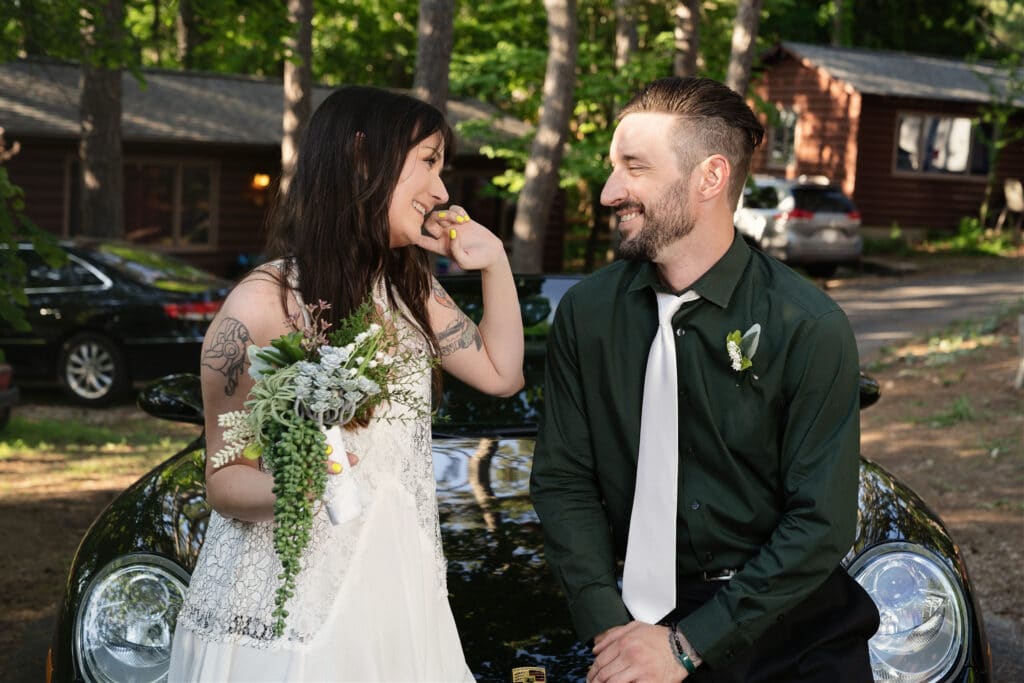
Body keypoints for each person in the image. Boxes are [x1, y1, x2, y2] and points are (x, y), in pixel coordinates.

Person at [169, 85, 524, 681]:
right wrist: (304, 484)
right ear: (363, 158)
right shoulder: (261, 304)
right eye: (429, 161)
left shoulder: (413, 292)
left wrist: (495, 264)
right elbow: (226, 482)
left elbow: (502, 372)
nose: (441, 191)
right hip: (292, 613)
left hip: (402, 598)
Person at [530, 77, 879, 682]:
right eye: (614, 168)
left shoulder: (807, 324)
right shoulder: (587, 315)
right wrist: (611, 627)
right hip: (630, 622)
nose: (611, 191)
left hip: (787, 625)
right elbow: (564, 480)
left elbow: (821, 523)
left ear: (710, 178)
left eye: (634, 168)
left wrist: (688, 647)